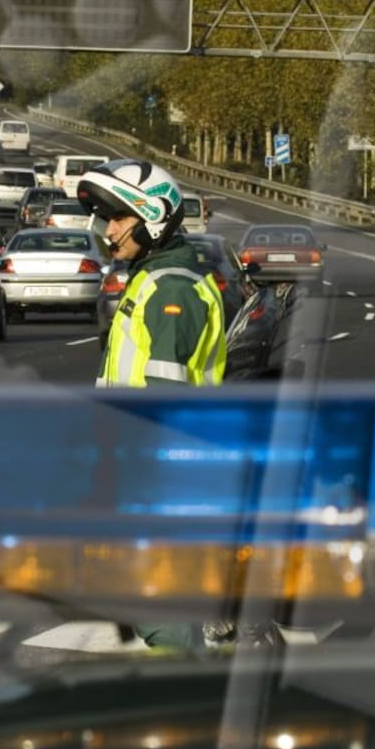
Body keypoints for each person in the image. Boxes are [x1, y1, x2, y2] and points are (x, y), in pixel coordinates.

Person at [77, 159, 227, 649]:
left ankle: (187, 706)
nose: (110, 229)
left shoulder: (172, 289)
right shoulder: (151, 279)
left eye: (119, 218)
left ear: (153, 218)